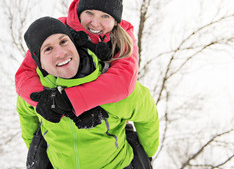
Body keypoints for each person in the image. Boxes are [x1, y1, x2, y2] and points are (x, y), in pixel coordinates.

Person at [17, 16, 159, 169]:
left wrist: (148, 151)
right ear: (40, 63)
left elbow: (147, 112)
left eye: (64, 41)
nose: (61, 53)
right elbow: (25, 113)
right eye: (48, 49)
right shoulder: (38, 94)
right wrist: (35, 147)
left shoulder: (110, 84)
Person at [16, 0, 139, 127]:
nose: (95, 23)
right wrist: (46, 98)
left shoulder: (123, 39)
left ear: (115, 20)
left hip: (108, 125)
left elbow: (123, 81)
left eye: (105, 16)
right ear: (80, 9)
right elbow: (25, 74)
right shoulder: (58, 30)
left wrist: (73, 101)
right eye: (89, 13)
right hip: (61, 129)